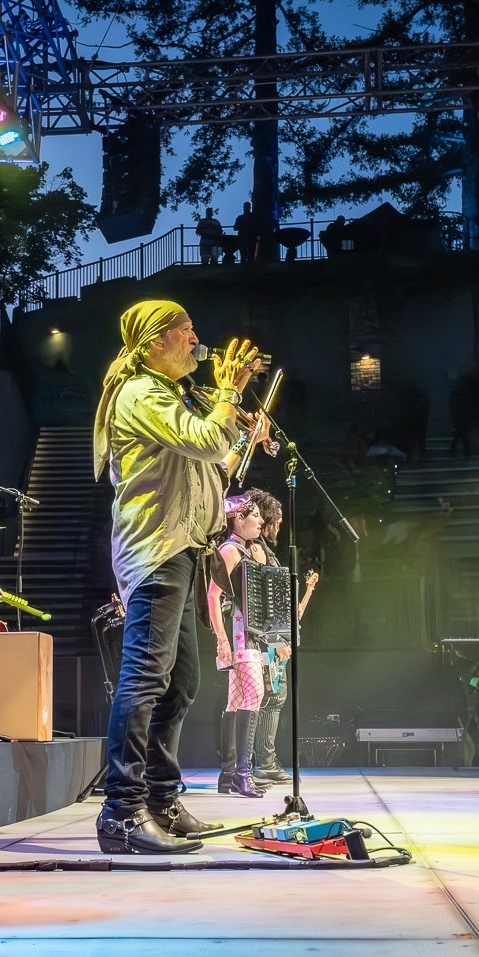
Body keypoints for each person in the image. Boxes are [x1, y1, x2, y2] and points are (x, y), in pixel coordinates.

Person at [92, 300, 263, 852]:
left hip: (183, 549)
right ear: (153, 342)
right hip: (156, 549)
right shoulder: (141, 393)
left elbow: (217, 456)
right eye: (185, 331)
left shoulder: (171, 395)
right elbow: (207, 441)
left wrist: (238, 424)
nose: (196, 339)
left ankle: (161, 799)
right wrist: (230, 395)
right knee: (144, 677)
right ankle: (121, 812)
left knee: (182, 681)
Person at [243, 487, 316, 787]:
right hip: (265, 640)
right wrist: (278, 640)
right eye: (274, 520)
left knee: (269, 697)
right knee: (268, 697)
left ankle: (260, 763)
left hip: (268, 638)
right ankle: (261, 763)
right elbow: (265, 598)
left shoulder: (260, 548)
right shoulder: (256, 549)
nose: (275, 527)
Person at [207, 494, 268, 797]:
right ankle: (242, 773)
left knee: (237, 700)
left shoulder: (245, 550)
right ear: (238, 519)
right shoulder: (230, 549)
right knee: (254, 694)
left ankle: (229, 774)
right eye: (255, 516)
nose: (261, 521)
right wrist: (221, 639)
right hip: (238, 632)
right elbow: (212, 595)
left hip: (247, 631)